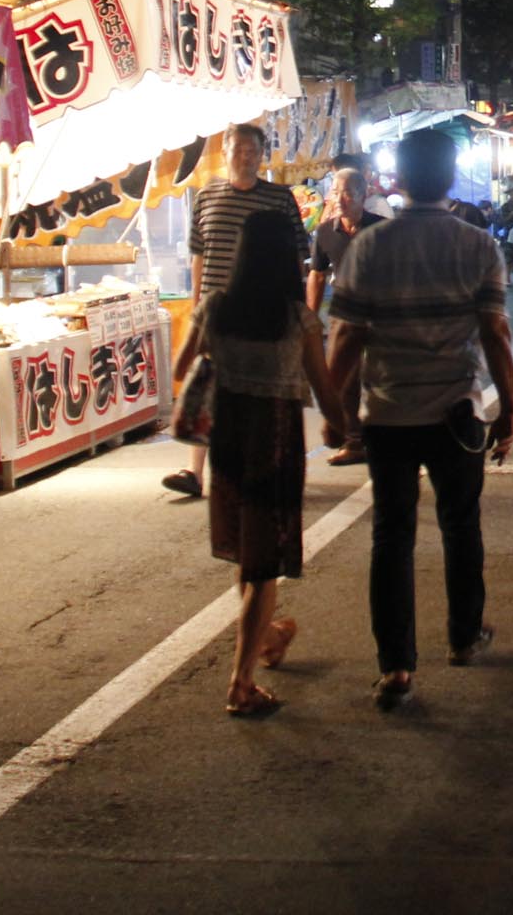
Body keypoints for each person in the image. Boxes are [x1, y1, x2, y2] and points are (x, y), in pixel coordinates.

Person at [325, 127, 513, 711]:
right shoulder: (477, 246)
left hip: (386, 413)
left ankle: (397, 667)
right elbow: (495, 333)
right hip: (457, 410)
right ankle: (463, 636)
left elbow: (347, 337)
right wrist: (509, 409)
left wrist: (337, 412)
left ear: (399, 181)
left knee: (393, 536)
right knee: (461, 527)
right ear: (451, 177)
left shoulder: (369, 248)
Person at [202, 208, 336, 717]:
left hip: (228, 437)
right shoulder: (296, 319)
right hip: (274, 443)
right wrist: (344, 424)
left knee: (245, 550)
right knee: (264, 564)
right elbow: (324, 388)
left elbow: (190, 364)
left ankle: (269, 635)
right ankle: (241, 683)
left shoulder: (215, 307)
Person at [170, 123, 305, 498]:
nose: (246, 156)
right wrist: (196, 301)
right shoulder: (207, 196)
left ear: (262, 156)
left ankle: (252, 468)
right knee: (210, 383)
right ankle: (195, 470)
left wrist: (297, 307)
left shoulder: (279, 198)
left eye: (253, 150)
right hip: (217, 310)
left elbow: (297, 255)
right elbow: (198, 254)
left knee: (256, 391)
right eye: (239, 149)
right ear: (225, 151)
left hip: (267, 309)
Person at [307, 168, 380, 469]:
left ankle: (388, 438)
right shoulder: (325, 232)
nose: (342, 198)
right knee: (344, 380)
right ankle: (353, 441)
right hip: (343, 314)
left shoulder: (382, 229)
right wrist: (309, 318)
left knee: (381, 378)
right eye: (337, 192)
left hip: (381, 315)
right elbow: (317, 275)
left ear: (365, 194)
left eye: (349, 192)